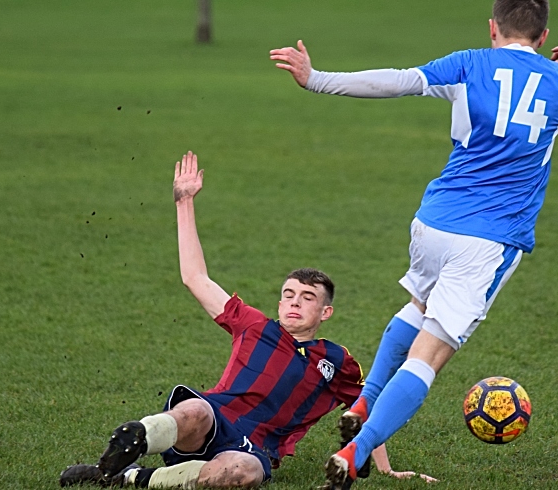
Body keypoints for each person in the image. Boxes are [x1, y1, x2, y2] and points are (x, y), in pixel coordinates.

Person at [270, 0, 558, 487]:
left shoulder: (469, 63)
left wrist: (317, 79)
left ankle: (366, 401)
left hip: (433, 222)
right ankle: (356, 451)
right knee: (428, 356)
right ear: (543, 37)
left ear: (492, 29)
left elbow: (397, 81)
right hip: (490, 240)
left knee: (416, 309)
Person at [59, 152, 435, 488]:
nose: (294, 303)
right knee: (193, 410)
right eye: (288, 294)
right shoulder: (253, 325)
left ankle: (130, 478)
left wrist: (380, 467)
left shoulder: (337, 362)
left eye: (307, 298)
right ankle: (135, 438)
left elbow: (366, 410)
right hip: (213, 420)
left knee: (240, 474)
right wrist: (184, 201)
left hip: (255, 448)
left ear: (325, 313)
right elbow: (195, 278)